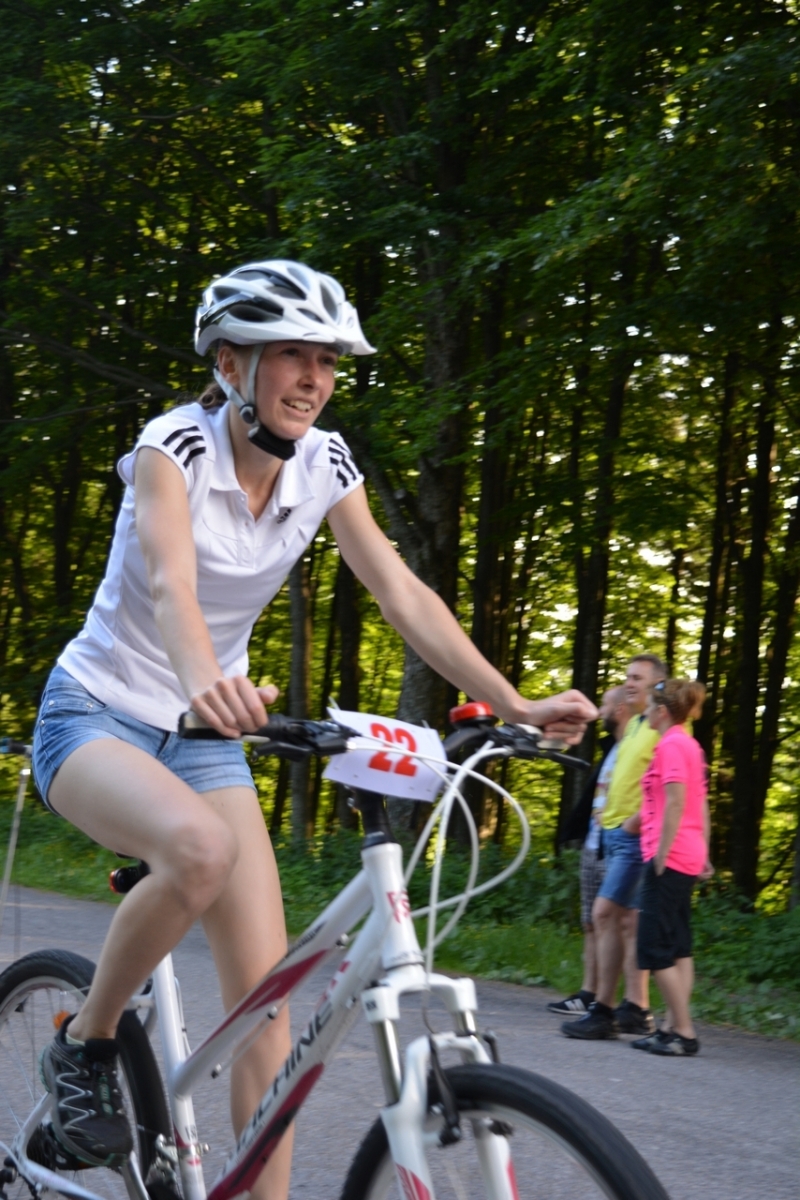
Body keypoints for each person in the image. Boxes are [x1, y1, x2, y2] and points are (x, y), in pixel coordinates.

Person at [31, 259, 597, 1200]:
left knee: (267, 1010)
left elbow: (402, 593)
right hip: (96, 713)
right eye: (291, 354)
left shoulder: (327, 464)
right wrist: (206, 682)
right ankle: (85, 1046)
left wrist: (516, 703)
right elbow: (171, 582)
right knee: (200, 852)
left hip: (204, 738)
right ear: (230, 364)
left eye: (327, 360)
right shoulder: (175, 448)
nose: (313, 378)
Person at [562, 653, 666, 1040]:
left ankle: (604, 1011)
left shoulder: (663, 726)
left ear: (657, 684)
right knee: (623, 920)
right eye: (627, 677)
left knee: (605, 914)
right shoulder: (638, 723)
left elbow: (669, 783)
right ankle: (635, 1008)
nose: (629, 683)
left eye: (637, 678)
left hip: (635, 837)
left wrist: (636, 820)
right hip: (614, 836)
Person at [633, 678, 711, 1056]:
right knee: (678, 945)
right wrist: (704, 851)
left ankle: (684, 1032)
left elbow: (678, 802)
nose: (646, 713)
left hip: (670, 856)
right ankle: (670, 1027)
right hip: (686, 854)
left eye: (650, 707)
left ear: (662, 712)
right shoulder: (689, 745)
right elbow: (702, 804)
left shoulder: (672, 745)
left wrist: (661, 855)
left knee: (653, 946)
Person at [547, 685, 632, 1015]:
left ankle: (617, 1002)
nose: (600, 711)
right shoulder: (612, 748)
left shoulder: (636, 748)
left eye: (605, 705)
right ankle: (588, 993)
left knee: (615, 923)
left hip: (616, 847)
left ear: (620, 710)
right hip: (593, 845)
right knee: (591, 923)